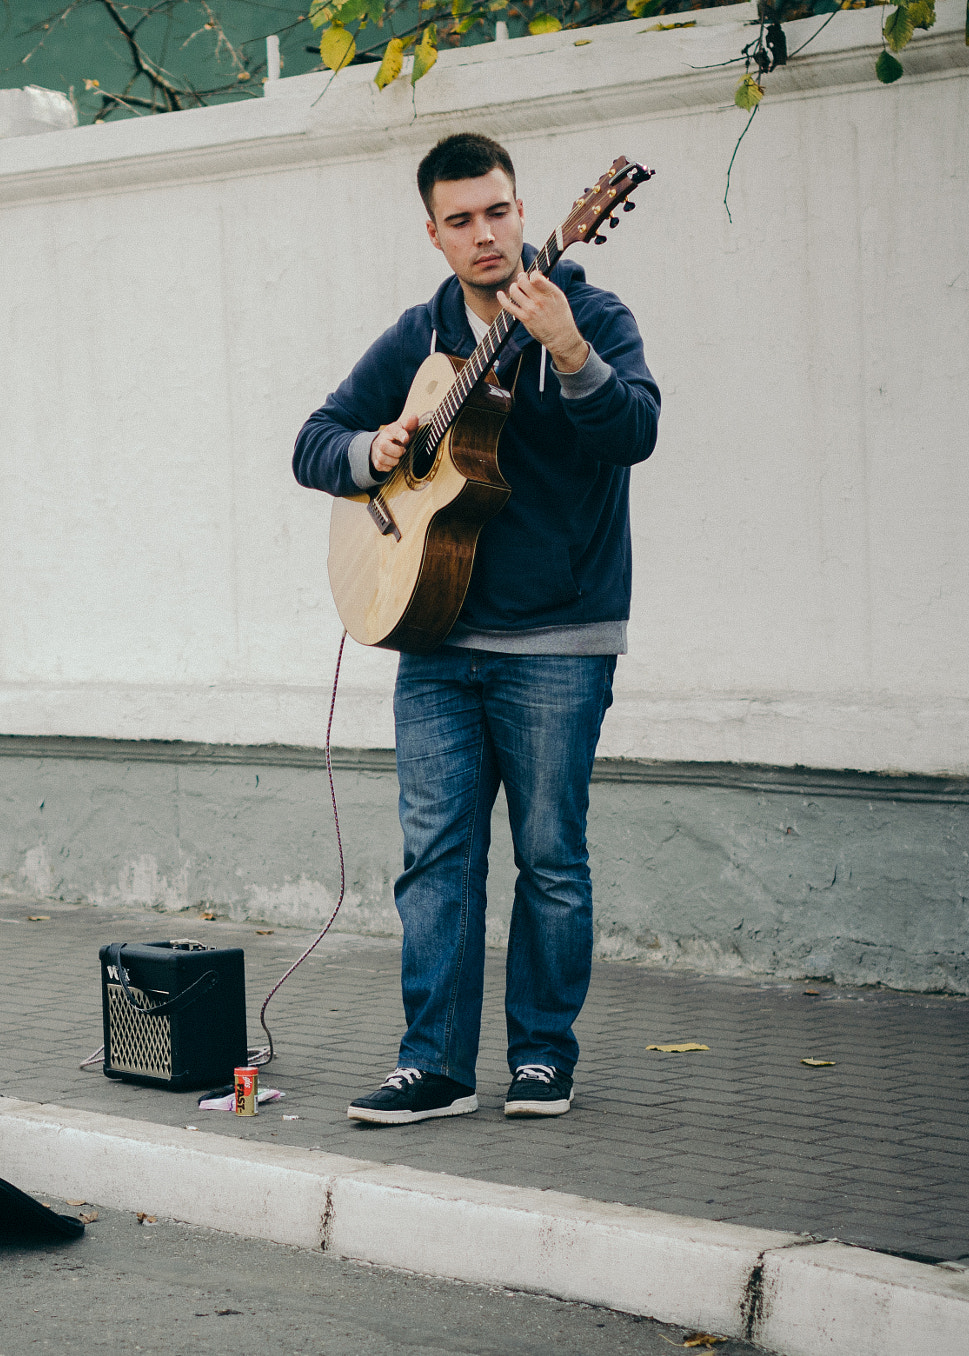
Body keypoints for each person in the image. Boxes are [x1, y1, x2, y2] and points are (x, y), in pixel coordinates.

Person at [291, 132, 660, 1125]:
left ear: (526, 210)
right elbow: (312, 442)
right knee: (434, 861)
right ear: (434, 233)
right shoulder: (416, 335)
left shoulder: (585, 311)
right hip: (432, 639)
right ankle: (434, 1066)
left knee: (548, 857)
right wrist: (376, 449)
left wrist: (570, 352)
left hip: (556, 641)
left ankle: (541, 1057)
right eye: (460, 220)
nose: (484, 234)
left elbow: (633, 431)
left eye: (497, 211)